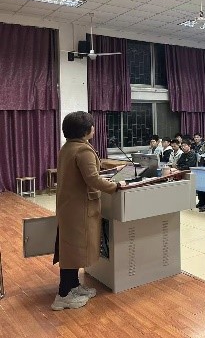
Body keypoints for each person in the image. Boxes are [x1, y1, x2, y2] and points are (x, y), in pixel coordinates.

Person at [52, 111, 126, 311]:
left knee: (72, 249)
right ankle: (63, 295)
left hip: (70, 206)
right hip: (80, 208)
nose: (94, 128)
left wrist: (107, 175)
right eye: (92, 125)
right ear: (86, 130)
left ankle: (73, 286)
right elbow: (92, 179)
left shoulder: (68, 147)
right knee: (74, 250)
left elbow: (85, 174)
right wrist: (115, 186)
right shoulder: (83, 150)